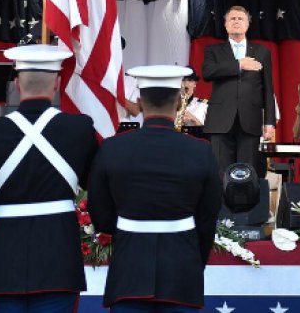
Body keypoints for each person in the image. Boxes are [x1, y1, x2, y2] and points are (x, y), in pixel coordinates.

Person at [0, 44, 98, 313]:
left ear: (17, 84)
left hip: (3, 269)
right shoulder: (79, 129)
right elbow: (99, 192)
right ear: (57, 83)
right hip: (60, 268)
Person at [87, 65, 222, 312]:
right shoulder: (201, 151)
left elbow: (101, 216)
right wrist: (195, 262)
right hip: (182, 271)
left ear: (139, 101)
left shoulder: (112, 149)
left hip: (129, 269)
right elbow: (208, 216)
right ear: (180, 102)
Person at [202, 6, 276, 177]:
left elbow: (267, 88)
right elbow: (208, 72)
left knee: (247, 174)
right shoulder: (213, 50)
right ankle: (219, 205)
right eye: (232, 19)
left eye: (240, 18)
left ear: (248, 24)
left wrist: (269, 122)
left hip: (250, 121)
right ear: (226, 25)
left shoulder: (261, 52)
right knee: (220, 175)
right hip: (220, 121)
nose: (236, 21)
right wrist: (239, 64)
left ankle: (245, 205)